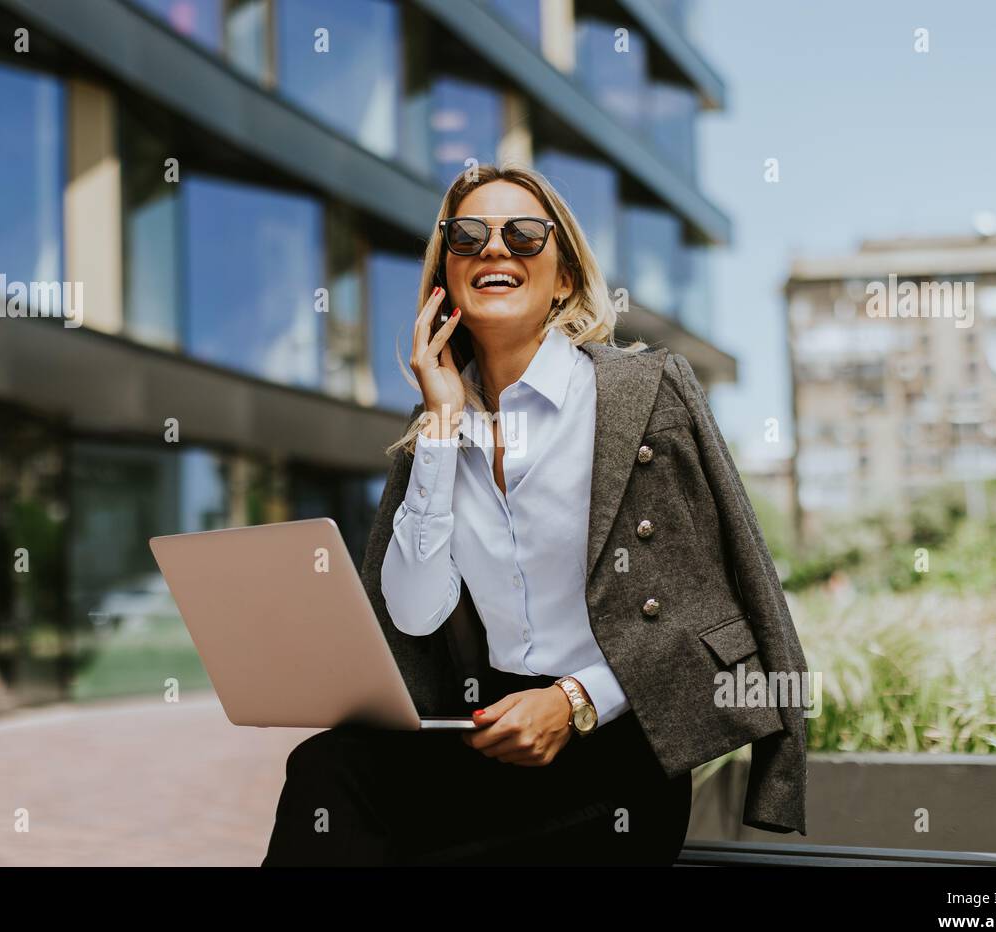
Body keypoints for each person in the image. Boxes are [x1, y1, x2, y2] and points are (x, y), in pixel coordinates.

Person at [262, 163, 776, 866]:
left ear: (563, 276)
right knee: (327, 772)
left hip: (615, 746)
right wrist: (442, 425)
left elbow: (706, 601)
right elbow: (414, 615)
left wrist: (573, 702)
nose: (494, 248)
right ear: (445, 276)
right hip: (487, 728)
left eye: (524, 234)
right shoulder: (436, 423)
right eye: (467, 235)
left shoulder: (642, 394)